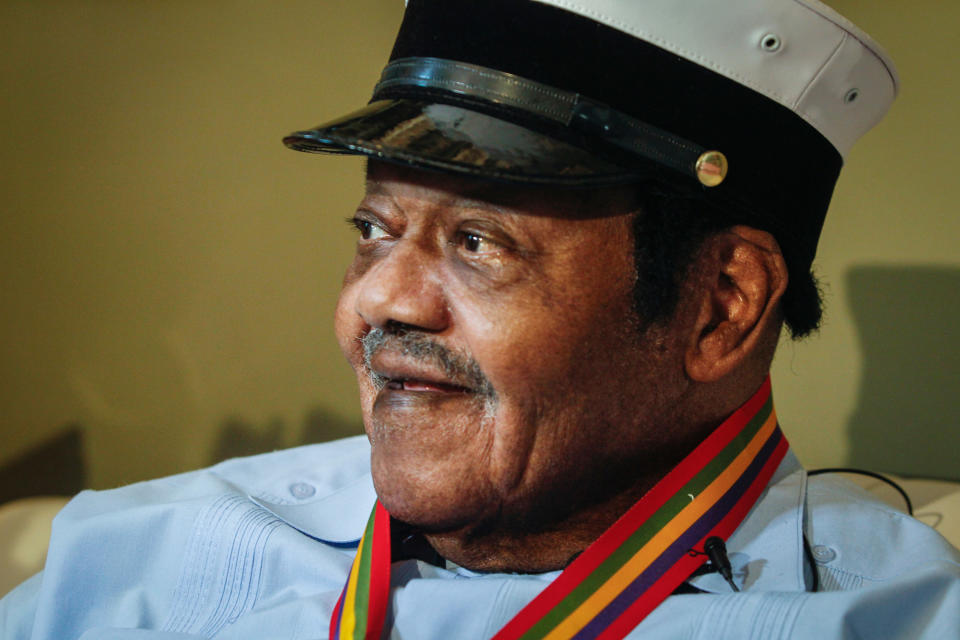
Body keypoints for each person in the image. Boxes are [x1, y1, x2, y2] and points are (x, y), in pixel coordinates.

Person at [3, 0, 959, 638]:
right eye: (374, 230)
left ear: (721, 308)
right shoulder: (126, 562)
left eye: (478, 243)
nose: (376, 302)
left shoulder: (904, 617)